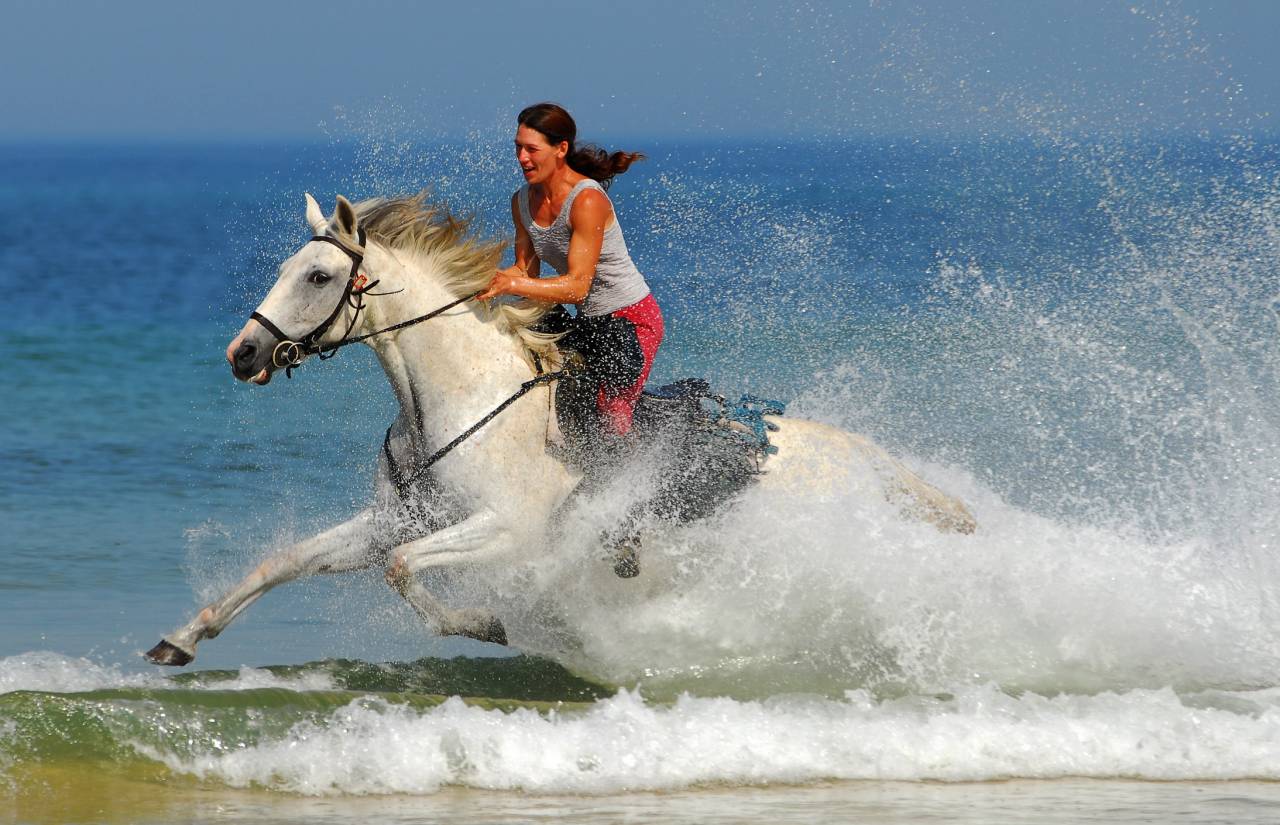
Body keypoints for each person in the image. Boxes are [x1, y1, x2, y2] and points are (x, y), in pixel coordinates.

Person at [478, 102, 663, 442]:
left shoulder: (587, 200)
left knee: (610, 420)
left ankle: (631, 485)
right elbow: (524, 272)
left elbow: (578, 287)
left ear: (561, 148)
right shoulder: (521, 202)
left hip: (631, 320)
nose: (522, 158)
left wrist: (514, 283)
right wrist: (484, 284)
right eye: (518, 147)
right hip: (590, 322)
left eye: (532, 149)